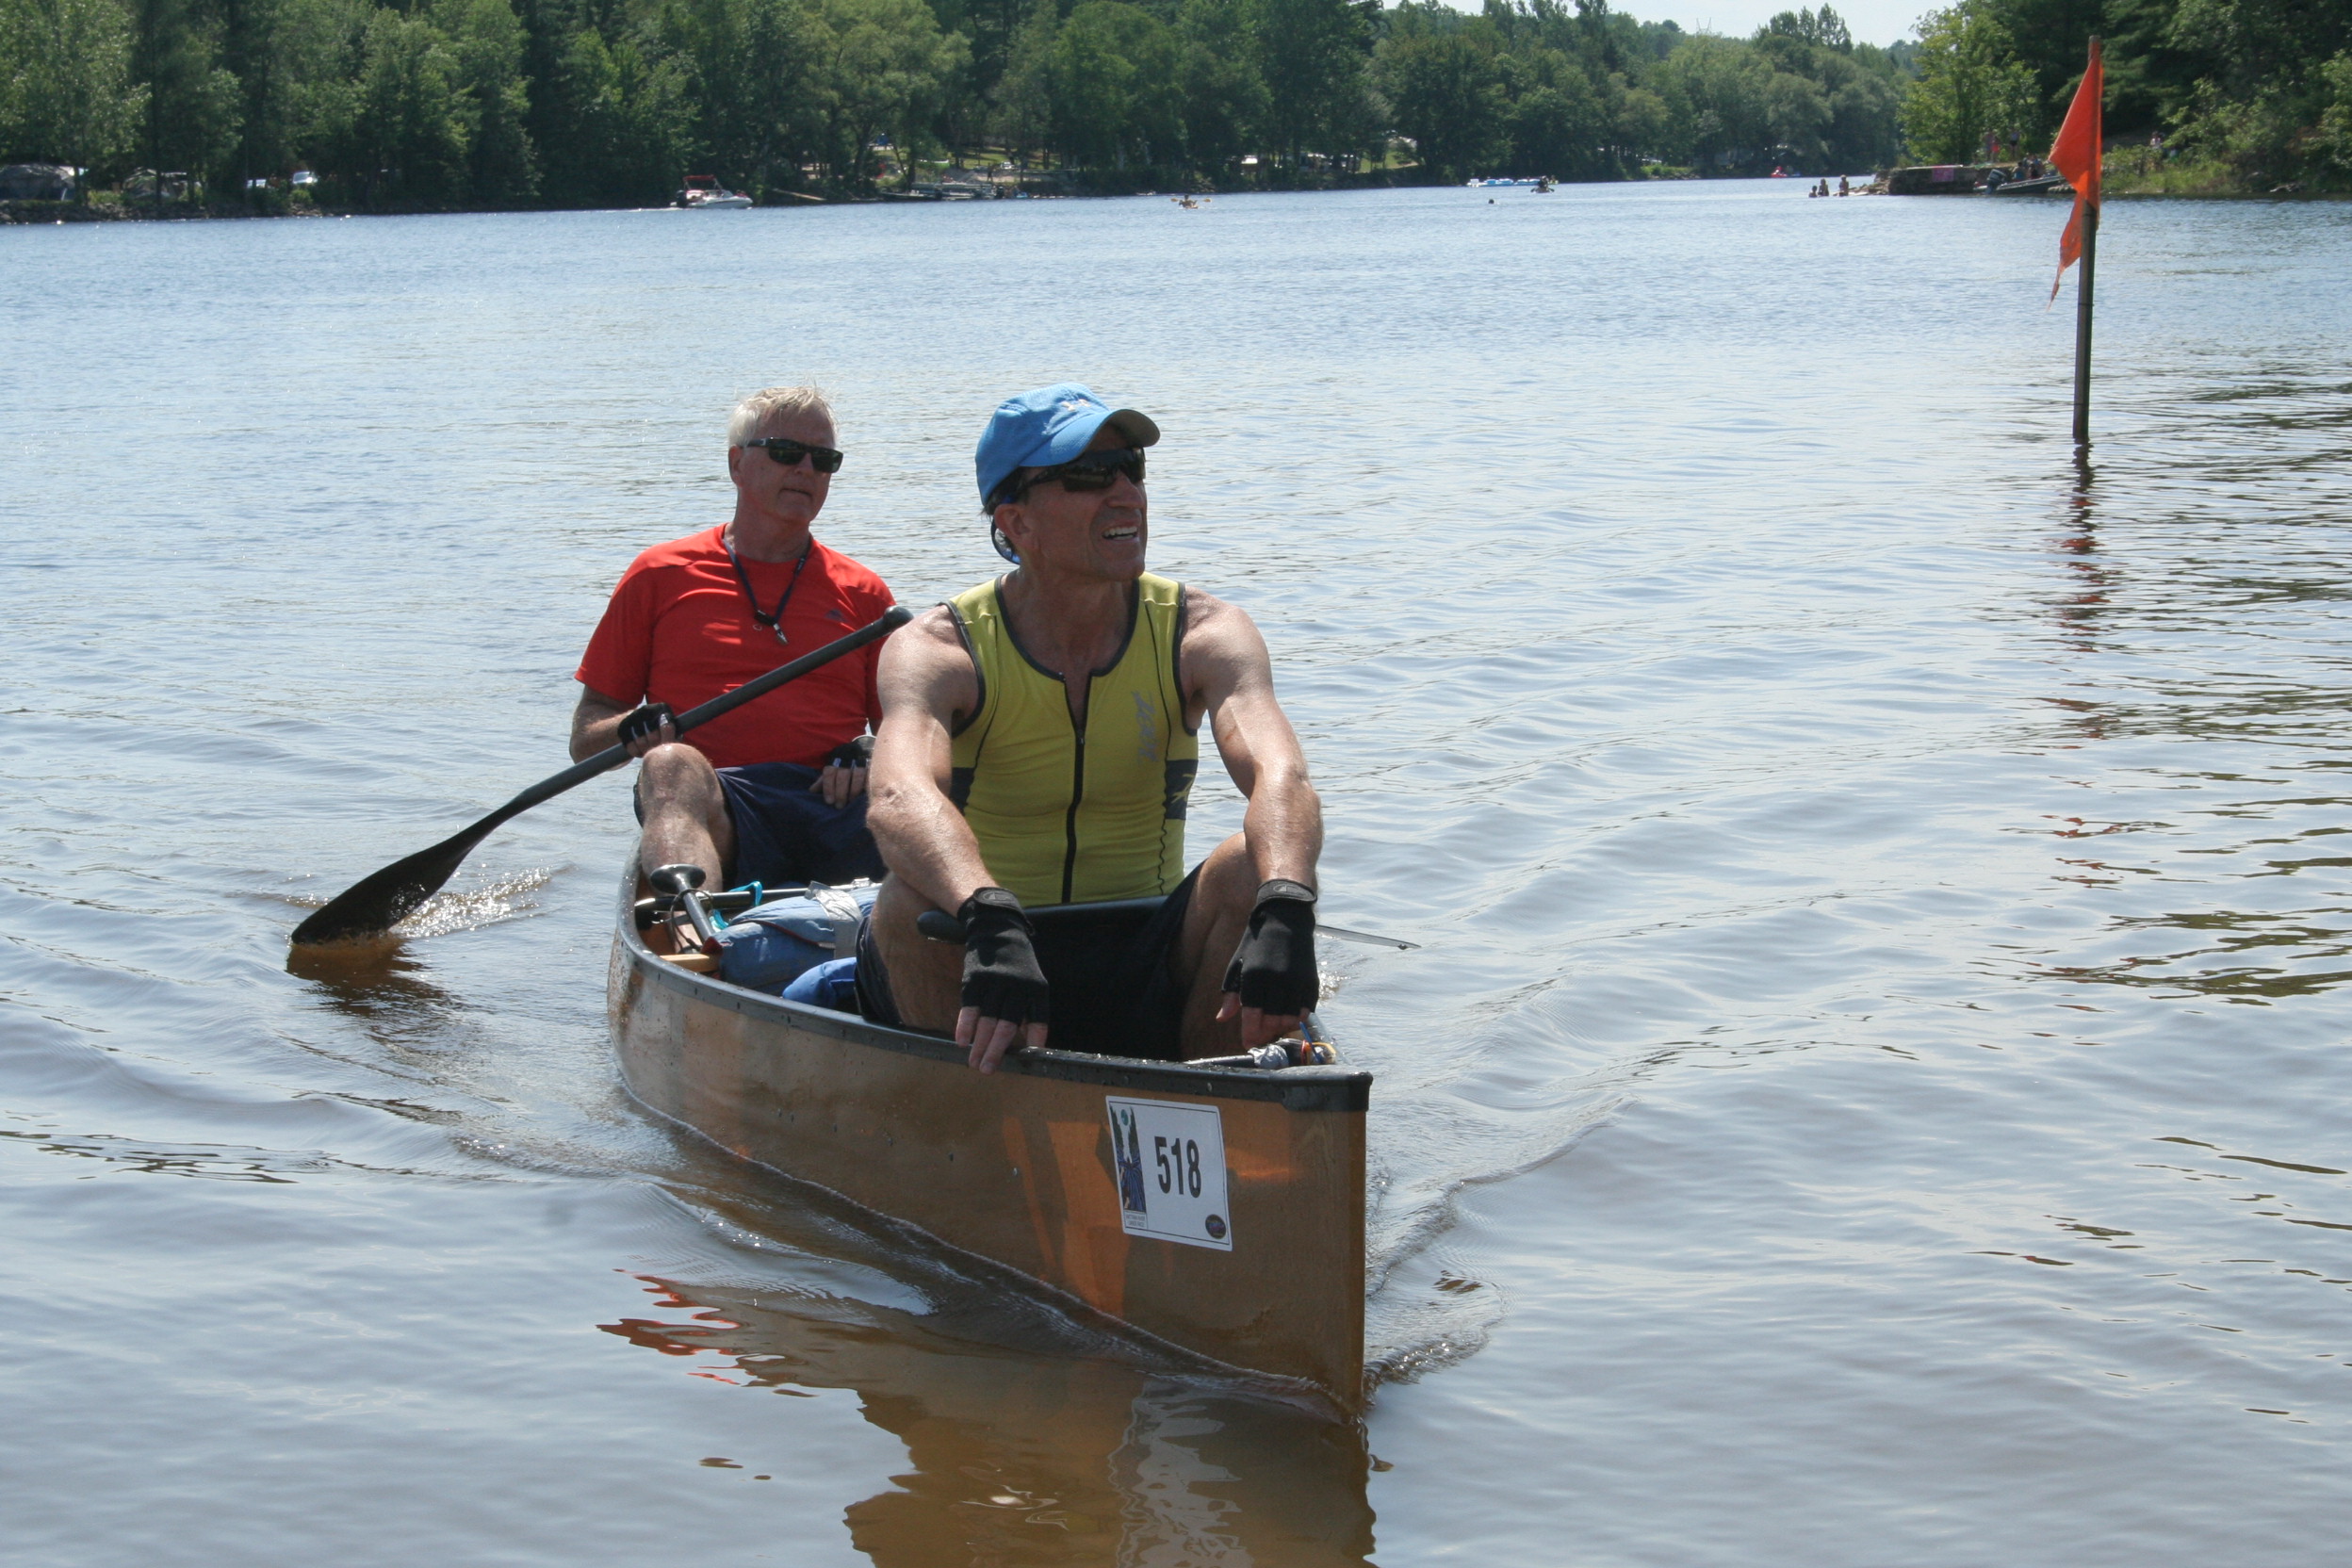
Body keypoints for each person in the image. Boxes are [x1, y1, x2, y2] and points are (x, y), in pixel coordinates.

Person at [859, 384, 1324, 1073]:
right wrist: (988, 913)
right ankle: (973, 1109)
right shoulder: (939, 649)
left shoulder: (1202, 632)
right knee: (904, 903)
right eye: (1088, 476)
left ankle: (1218, 1097)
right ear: (1016, 522)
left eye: (1131, 468)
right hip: (987, 948)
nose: (1126, 494)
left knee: (1252, 865)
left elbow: (1280, 775)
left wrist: (1286, 900)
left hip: (1144, 945)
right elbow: (898, 796)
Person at [572, 385, 896, 891]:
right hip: (717, 804)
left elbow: (911, 733)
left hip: (832, 802)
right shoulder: (658, 574)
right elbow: (585, 739)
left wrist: (870, 751)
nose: (806, 470)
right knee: (669, 764)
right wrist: (630, 729)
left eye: (823, 460)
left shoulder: (866, 593)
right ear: (736, 464)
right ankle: (693, 924)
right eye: (786, 452)